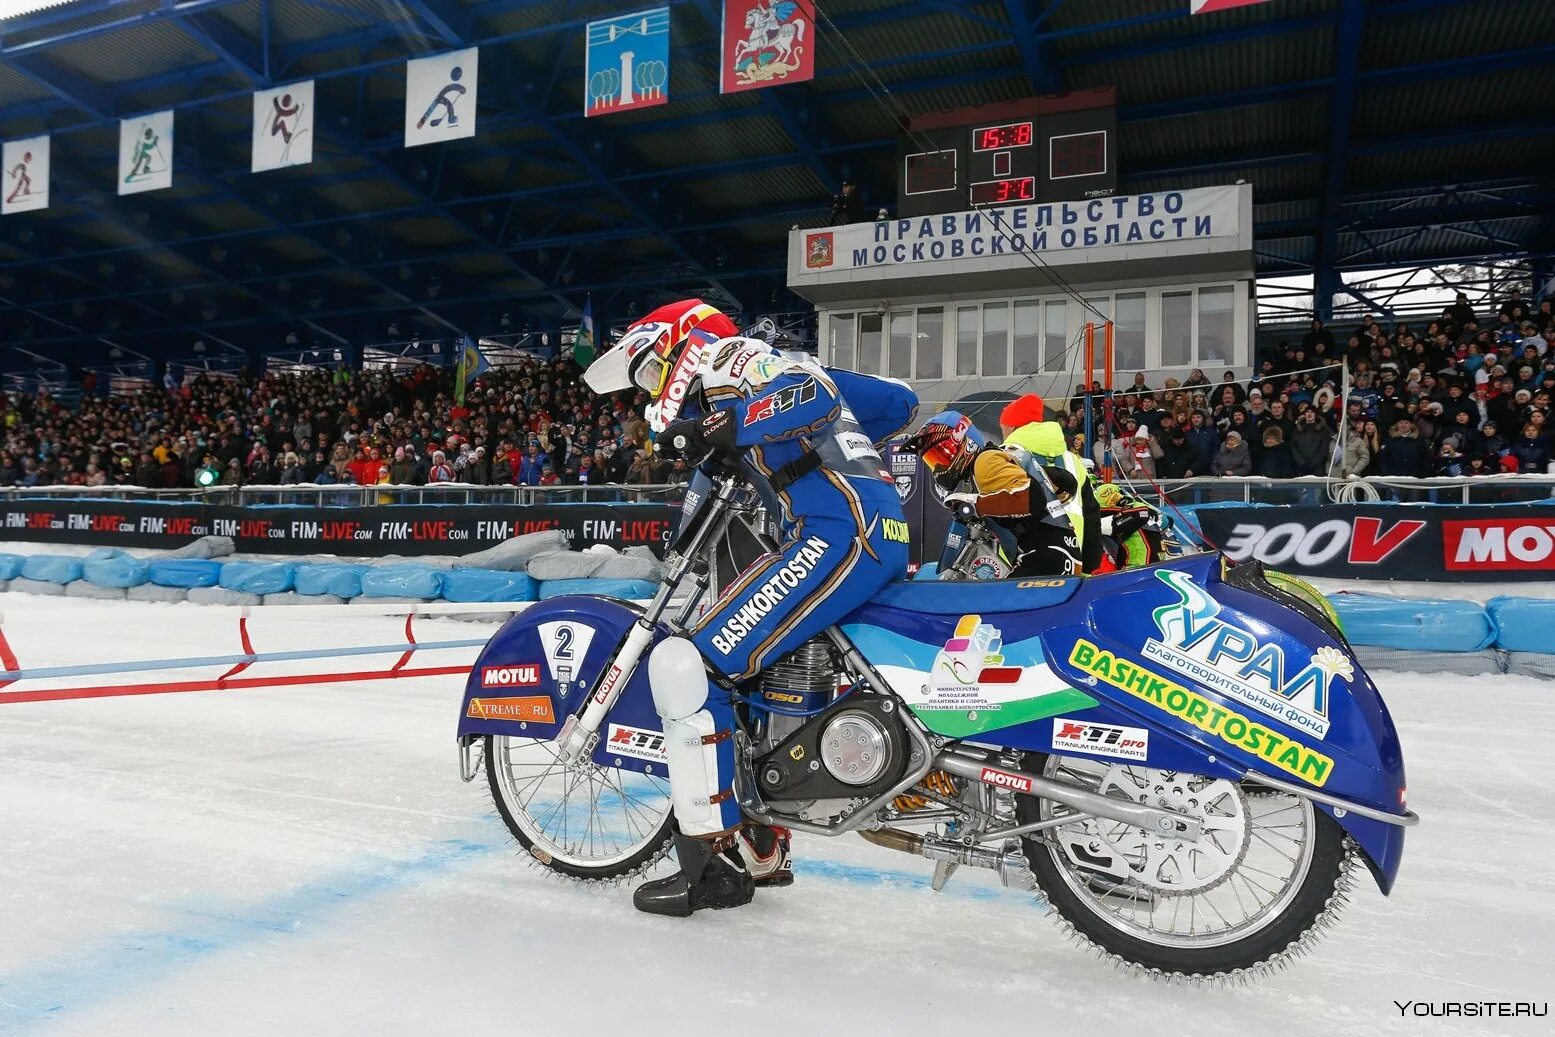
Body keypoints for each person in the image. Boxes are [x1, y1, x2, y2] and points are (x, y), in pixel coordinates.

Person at [582, 299, 916, 918]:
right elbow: (898, 404)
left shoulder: (733, 359)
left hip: (837, 533)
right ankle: (762, 843)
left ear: (679, 344)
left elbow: (807, 396)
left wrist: (725, 424)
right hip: (874, 531)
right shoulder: (757, 375)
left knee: (693, 665)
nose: (658, 392)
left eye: (654, 373)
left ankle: (706, 865)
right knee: (758, 672)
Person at [903, 410, 1080, 578]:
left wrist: (976, 504)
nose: (939, 466)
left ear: (966, 442)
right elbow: (1065, 482)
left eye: (943, 453)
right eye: (933, 460)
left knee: (1002, 606)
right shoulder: (998, 456)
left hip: (1044, 557)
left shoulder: (985, 461)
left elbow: (1030, 496)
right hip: (1058, 553)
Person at [998, 394, 1101, 573]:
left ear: (1012, 427)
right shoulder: (1073, 460)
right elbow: (1091, 514)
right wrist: (1089, 566)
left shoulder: (1002, 458)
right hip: (1070, 559)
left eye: (1002, 428)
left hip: (1015, 560)